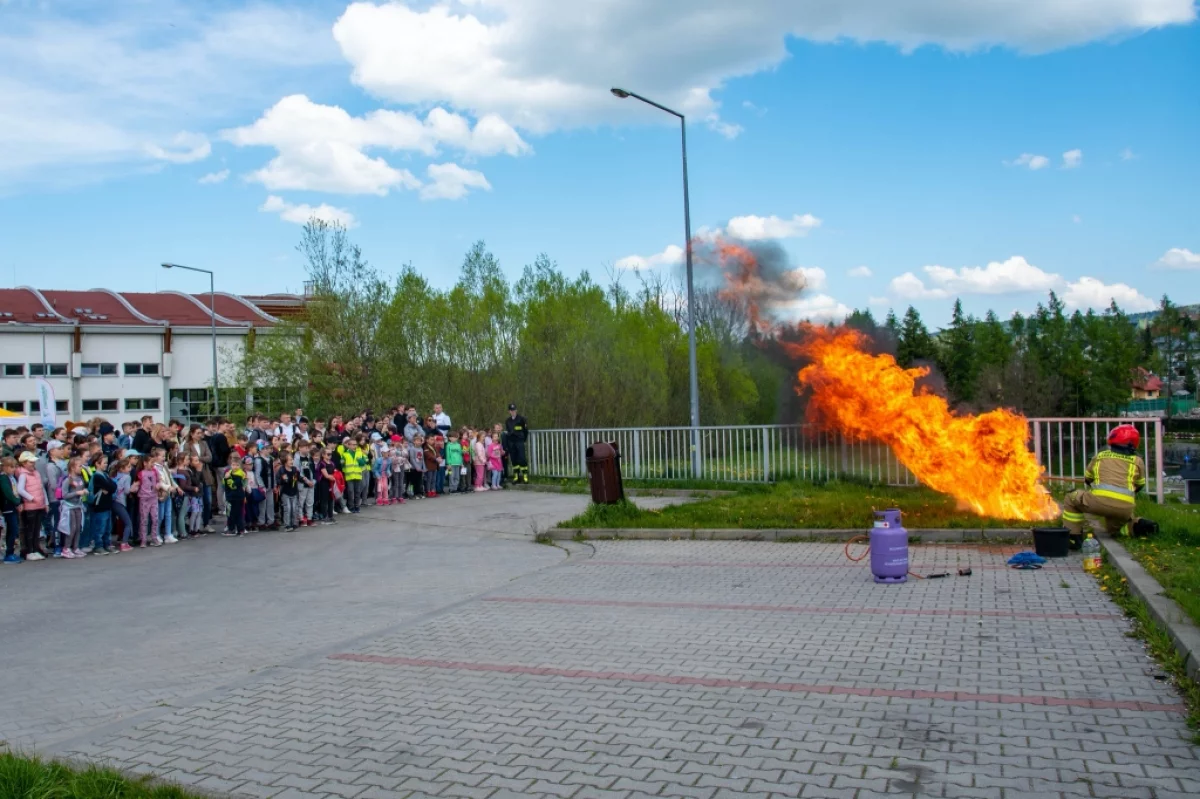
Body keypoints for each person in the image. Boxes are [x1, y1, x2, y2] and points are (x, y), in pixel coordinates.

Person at [1061, 424, 1147, 538]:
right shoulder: (1138, 461)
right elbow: (1140, 485)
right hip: (1124, 509)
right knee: (1114, 530)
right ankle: (1137, 526)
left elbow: (1088, 478)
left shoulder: (1100, 456)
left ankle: (1073, 536)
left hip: (1098, 503)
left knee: (1071, 498)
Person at [16, 451, 49, 560]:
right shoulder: (23, 474)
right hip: (30, 506)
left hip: (39, 505)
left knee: (36, 529)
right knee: (29, 530)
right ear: (24, 463)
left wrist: (45, 502)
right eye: (30, 462)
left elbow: (41, 488)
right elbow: (20, 489)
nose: (33, 464)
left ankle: (35, 548)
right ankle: (29, 550)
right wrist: (32, 498)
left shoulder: (36, 473)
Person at [57, 457, 89, 558]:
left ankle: (75, 547)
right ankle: (66, 548)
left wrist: (85, 491)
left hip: (78, 505)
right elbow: (64, 495)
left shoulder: (80, 479)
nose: (81, 468)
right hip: (69, 507)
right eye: (79, 466)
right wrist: (77, 493)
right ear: (72, 467)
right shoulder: (68, 480)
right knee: (72, 528)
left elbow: (82, 488)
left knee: (79, 527)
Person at [87, 454, 117, 554]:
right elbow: (110, 486)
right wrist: (108, 487)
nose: (106, 465)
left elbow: (113, 486)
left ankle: (107, 544)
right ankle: (98, 546)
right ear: (97, 464)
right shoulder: (97, 476)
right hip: (99, 506)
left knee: (108, 527)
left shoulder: (105, 475)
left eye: (106, 463)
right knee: (100, 527)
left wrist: (108, 488)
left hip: (107, 505)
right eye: (104, 463)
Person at [2, 457, 22, 563]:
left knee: (13, 530)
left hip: (13, 506)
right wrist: (17, 502)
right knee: (12, 529)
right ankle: (8, 554)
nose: (13, 469)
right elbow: (8, 493)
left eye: (14, 467)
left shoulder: (12, 477)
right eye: (11, 467)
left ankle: (10, 552)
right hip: (8, 507)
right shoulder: (3, 478)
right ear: (4, 467)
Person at [340, 438, 369, 513]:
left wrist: (360, 460)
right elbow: (342, 464)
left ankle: (357, 506)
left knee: (357, 492)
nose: (354, 446)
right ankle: (351, 506)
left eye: (355, 444)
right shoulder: (345, 454)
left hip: (358, 476)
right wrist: (343, 463)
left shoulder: (359, 453)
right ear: (348, 445)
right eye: (353, 444)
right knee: (350, 492)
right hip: (349, 476)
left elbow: (364, 463)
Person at [504, 404, 530, 484]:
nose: (513, 412)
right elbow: (508, 432)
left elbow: (525, 431)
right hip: (511, 442)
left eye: (514, 410)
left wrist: (523, 439)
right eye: (511, 410)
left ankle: (525, 475)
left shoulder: (521, 419)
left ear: (516, 410)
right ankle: (516, 476)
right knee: (514, 459)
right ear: (509, 411)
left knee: (522, 458)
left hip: (519, 441)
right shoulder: (507, 421)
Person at [222, 456, 248, 537]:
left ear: (239, 466)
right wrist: (225, 478)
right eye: (233, 465)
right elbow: (224, 484)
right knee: (230, 513)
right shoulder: (229, 472)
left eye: (237, 465)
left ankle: (240, 529)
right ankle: (232, 528)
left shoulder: (240, 474)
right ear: (230, 465)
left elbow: (234, 485)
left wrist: (227, 478)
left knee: (238, 513)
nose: (234, 467)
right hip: (230, 496)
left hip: (237, 496)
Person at [295, 440, 316, 526]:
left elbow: (312, 470)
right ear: (300, 448)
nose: (308, 449)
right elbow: (298, 472)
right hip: (302, 483)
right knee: (301, 502)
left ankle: (309, 518)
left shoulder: (309, 457)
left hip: (310, 483)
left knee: (310, 501)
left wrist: (313, 481)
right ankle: (301, 518)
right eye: (306, 448)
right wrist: (306, 480)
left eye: (308, 448)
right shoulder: (297, 458)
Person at [279, 457, 300, 531]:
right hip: (285, 492)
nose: (292, 461)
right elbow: (283, 481)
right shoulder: (282, 469)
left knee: (294, 508)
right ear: (285, 462)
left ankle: (294, 523)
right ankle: (287, 525)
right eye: (290, 460)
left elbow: (296, 479)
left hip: (293, 491)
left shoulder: (294, 469)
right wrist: (285, 479)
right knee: (287, 508)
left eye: (292, 460)